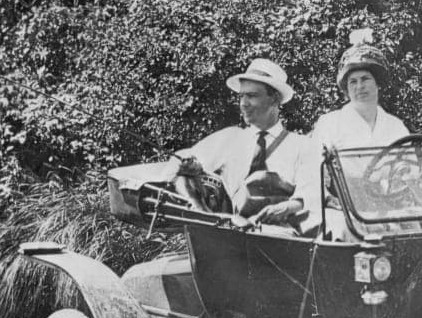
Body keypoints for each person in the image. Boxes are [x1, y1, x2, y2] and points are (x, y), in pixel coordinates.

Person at [174, 58, 320, 229]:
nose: (243, 103)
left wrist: (288, 207)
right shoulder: (229, 139)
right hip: (227, 235)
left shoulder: (302, 146)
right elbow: (178, 163)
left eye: (252, 96)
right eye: (241, 96)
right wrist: (197, 201)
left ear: (274, 99)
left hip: (282, 240)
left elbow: (313, 192)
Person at [311, 30, 409, 152]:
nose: (359, 87)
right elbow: (314, 167)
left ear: (377, 83)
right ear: (346, 88)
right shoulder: (330, 124)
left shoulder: (396, 127)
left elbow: (410, 168)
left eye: (365, 79)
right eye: (353, 82)